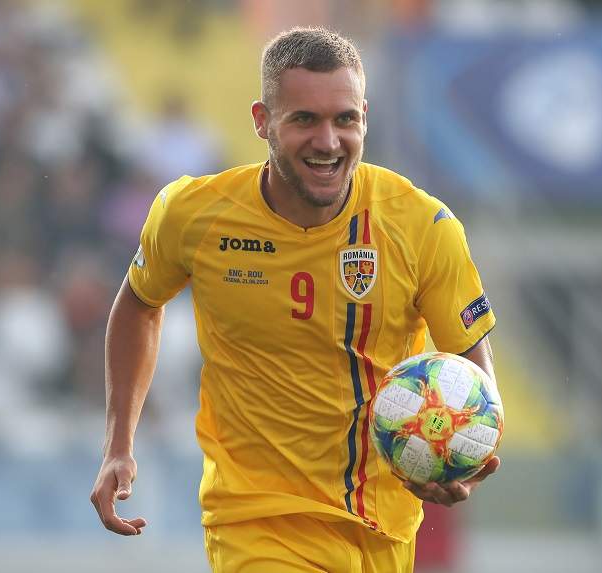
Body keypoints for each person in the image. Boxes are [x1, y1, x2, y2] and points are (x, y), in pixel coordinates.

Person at [90, 26, 500, 572]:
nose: (327, 141)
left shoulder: (421, 226)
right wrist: (118, 443)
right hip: (255, 523)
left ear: (365, 118)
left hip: (382, 529)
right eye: (304, 119)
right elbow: (139, 304)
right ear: (262, 121)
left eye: (344, 119)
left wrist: (465, 454)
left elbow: (472, 367)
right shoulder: (194, 215)